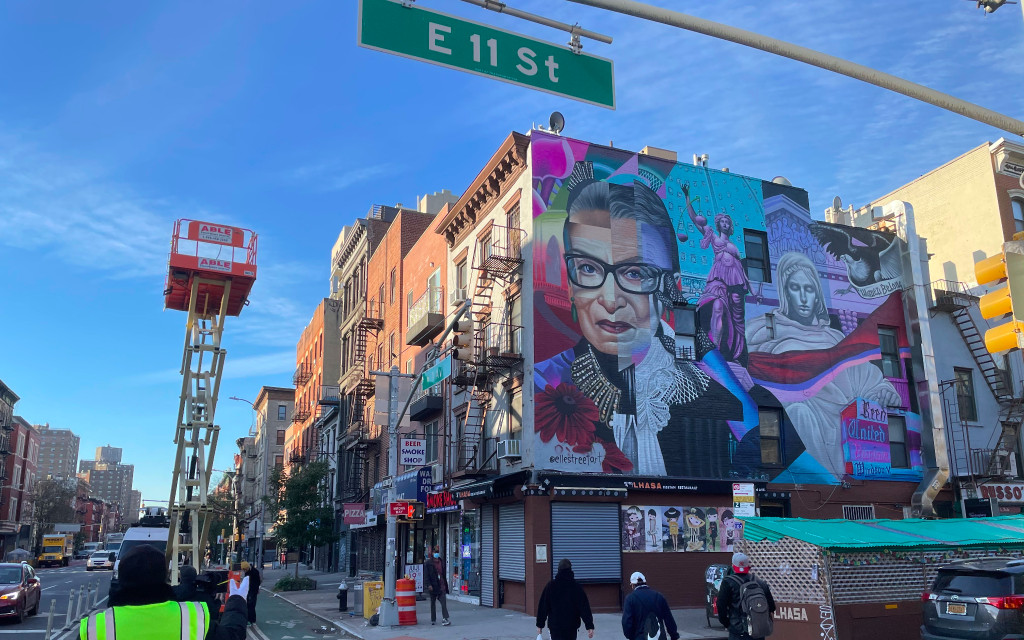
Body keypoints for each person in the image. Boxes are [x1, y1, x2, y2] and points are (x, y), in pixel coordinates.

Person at [535, 163, 744, 477]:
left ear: (671, 287)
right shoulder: (546, 381)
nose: (610, 299)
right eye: (589, 269)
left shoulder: (707, 394)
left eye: (634, 273)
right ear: (571, 285)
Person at [745, 251, 900, 479]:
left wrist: (884, 392)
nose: (804, 298)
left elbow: (868, 378)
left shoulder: (835, 339)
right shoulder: (762, 331)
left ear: (817, 294)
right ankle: (819, 476)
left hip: (840, 425)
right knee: (799, 412)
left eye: (809, 289)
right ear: (785, 292)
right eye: (795, 289)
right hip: (799, 423)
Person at [82, 544, 248, 640]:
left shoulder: (95, 627)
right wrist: (237, 599)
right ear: (165, 576)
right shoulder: (192, 618)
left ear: (122, 577)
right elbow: (233, 635)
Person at [684, 184, 750, 364]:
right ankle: (715, 347)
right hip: (719, 278)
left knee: (737, 320)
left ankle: (736, 352)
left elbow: (741, 267)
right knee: (717, 307)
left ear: (730, 227)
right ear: (718, 223)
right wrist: (687, 197)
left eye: (728, 222)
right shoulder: (712, 236)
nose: (726, 224)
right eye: (723, 221)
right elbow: (694, 218)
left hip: (736, 282)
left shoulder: (734, 246)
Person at [716, 553, 776, 640]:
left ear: (733, 566)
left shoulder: (728, 582)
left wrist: (727, 623)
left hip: (738, 630)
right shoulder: (759, 582)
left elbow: (721, 605)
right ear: (748, 566)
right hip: (758, 629)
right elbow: (772, 607)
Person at [536, 559, 595, 640]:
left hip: (555, 626)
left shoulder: (551, 586)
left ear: (558, 570)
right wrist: (589, 626)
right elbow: (584, 608)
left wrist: (540, 625)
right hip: (571, 626)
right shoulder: (576, 587)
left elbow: (543, 607)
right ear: (570, 570)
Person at [622, 572, 678, 640]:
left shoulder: (630, 599)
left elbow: (627, 622)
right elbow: (668, 619)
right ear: (645, 582)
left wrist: (631, 636)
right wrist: (674, 635)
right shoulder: (659, 596)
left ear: (633, 585)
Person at [422, 546, 450, 626]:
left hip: (441, 584)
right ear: (432, 553)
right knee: (433, 603)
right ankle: (433, 619)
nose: (436, 553)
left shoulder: (441, 561)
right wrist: (428, 585)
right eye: (435, 552)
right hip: (433, 585)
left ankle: (445, 618)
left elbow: (443, 574)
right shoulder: (428, 563)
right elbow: (426, 575)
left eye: (437, 552)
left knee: (443, 602)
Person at [241, 560, 261, 625]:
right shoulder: (248, 572)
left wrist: (257, 589)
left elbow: (258, 582)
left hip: (253, 590)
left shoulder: (254, 572)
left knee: (251, 605)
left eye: (244, 569)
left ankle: (252, 620)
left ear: (246, 568)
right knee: (249, 605)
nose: (244, 571)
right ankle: (250, 619)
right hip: (249, 590)